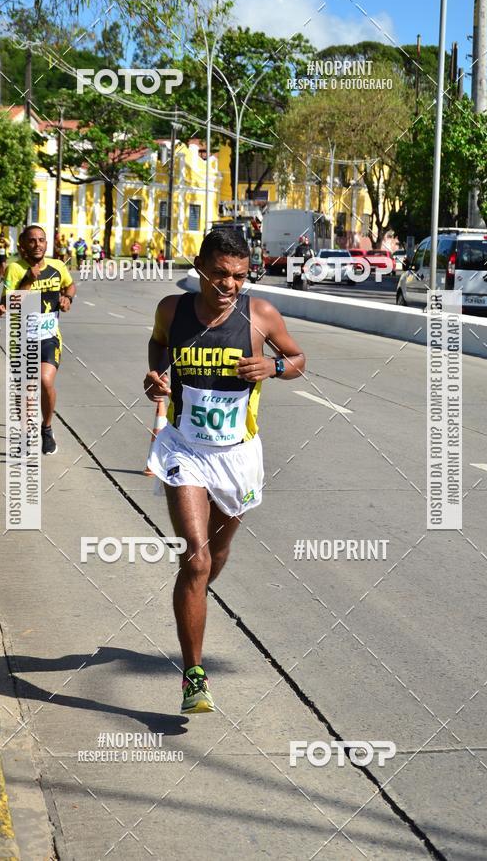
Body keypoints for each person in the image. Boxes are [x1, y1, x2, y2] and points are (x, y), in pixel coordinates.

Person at [143, 229, 305, 713]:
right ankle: (194, 675)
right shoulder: (173, 310)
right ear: (199, 268)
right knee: (195, 558)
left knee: (216, 554)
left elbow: (298, 359)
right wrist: (158, 377)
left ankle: (192, 593)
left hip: (238, 455)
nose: (228, 285)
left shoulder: (259, 316)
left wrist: (273, 370)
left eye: (238, 276)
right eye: (218, 275)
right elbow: (157, 345)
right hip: (184, 449)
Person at [0, 225, 76, 455]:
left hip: (49, 335)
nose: (37, 244)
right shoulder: (14, 269)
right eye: (32, 241)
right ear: (22, 245)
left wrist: (67, 298)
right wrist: (28, 280)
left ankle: (46, 428)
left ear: (46, 243)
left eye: (41, 240)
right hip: (21, 338)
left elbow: (70, 284)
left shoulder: (57, 266)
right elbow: (10, 304)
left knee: (44, 380)